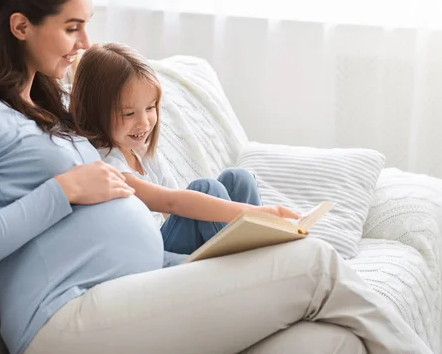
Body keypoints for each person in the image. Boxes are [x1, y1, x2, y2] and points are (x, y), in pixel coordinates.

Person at [0, 0, 442, 354]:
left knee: (327, 341)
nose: (84, 43)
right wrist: (63, 191)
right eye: (72, 27)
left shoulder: (47, 108)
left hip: (137, 292)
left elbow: (157, 204)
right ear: (19, 25)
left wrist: (250, 230)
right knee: (316, 266)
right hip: (63, 321)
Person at [69, 42, 300, 258]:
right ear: (95, 112)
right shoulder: (106, 165)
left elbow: (172, 213)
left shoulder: (143, 152)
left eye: (150, 108)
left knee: (237, 178)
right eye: (129, 113)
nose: (144, 122)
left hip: (174, 239)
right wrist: (256, 213)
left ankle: (262, 247)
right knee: (205, 188)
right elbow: (171, 202)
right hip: (155, 253)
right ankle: (251, 262)